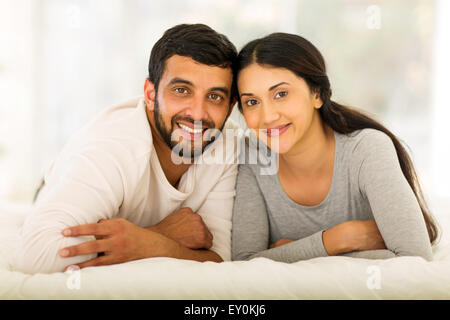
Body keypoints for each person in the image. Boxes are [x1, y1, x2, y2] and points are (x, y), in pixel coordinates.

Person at [14, 23, 239, 274]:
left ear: (230, 107)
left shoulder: (227, 143)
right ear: (151, 94)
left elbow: (219, 259)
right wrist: (157, 236)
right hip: (64, 185)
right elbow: (34, 256)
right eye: (181, 90)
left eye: (214, 96)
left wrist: (150, 243)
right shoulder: (112, 147)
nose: (198, 114)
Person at [231, 33, 439, 263]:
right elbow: (245, 264)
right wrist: (341, 238)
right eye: (252, 102)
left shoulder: (366, 150)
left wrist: (292, 254)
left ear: (317, 94)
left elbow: (414, 260)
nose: (268, 116)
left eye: (281, 94)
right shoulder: (252, 158)